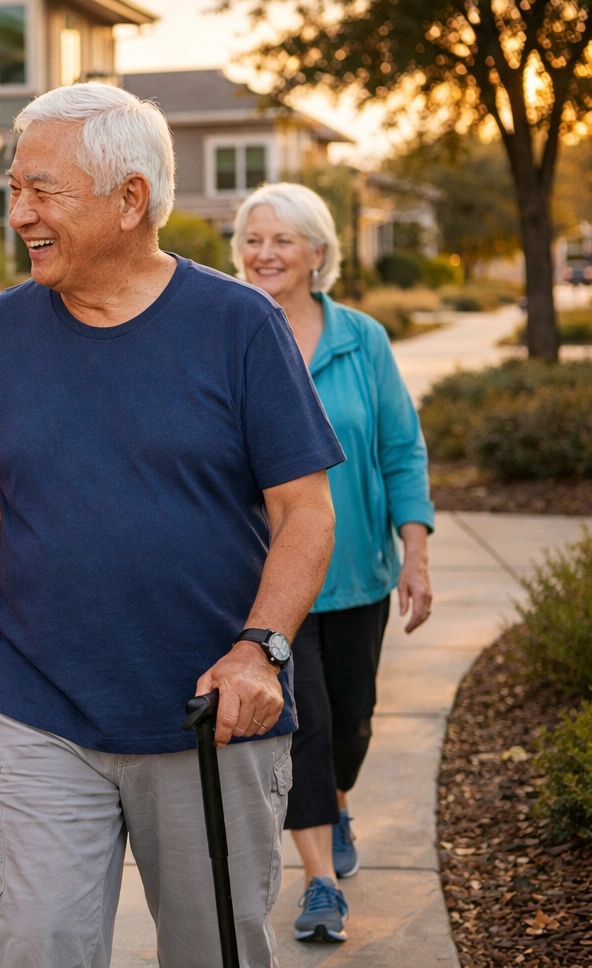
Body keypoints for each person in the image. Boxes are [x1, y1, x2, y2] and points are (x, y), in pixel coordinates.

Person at [0, 82, 345, 967]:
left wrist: (261, 647)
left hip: (208, 718)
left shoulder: (239, 325)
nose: (20, 215)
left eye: (43, 191)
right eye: (15, 190)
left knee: (212, 952)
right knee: (34, 948)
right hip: (37, 710)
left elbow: (304, 508)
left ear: (131, 200)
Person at [233, 182, 434, 944]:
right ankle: (319, 880)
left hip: (358, 577)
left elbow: (399, 450)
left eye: (282, 240)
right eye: (254, 240)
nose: (265, 254)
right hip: (273, 582)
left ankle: (338, 801)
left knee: (350, 719)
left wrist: (414, 552)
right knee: (303, 724)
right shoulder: (235, 334)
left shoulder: (362, 340)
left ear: (319, 252)